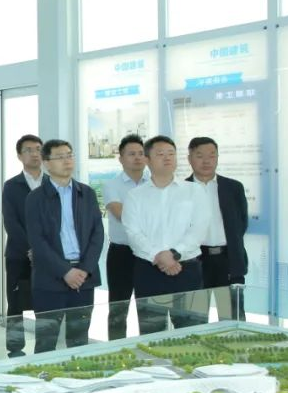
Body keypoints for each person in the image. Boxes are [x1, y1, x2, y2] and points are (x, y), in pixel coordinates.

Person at [122, 136, 211, 334]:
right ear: (147, 160)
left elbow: (199, 228)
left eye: (171, 153)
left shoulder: (194, 191)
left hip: (187, 270)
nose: (167, 158)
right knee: (151, 333)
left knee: (192, 332)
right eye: (160, 154)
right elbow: (133, 232)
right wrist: (158, 255)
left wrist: (174, 254)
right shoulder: (135, 196)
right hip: (149, 271)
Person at [25, 140, 104, 353]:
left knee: (79, 339)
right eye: (60, 157)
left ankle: (76, 373)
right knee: (46, 340)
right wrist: (65, 271)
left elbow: (97, 234)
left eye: (69, 155)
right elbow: (37, 241)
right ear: (46, 163)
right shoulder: (35, 198)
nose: (67, 160)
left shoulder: (86, 193)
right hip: (50, 277)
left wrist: (84, 269)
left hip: (84, 277)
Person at [186, 137, 249, 320]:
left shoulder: (233, 187)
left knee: (232, 318)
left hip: (228, 259)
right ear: (189, 158)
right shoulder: (181, 189)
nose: (206, 161)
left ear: (218, 158)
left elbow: (241, 223)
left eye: (212, 155)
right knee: (194, 318)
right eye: (200, 156)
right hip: (195, 261)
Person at [102, 134, 149, 340]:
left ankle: (151, 349)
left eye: (141, 153)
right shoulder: (112, 185)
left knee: (149, 308)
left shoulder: (154, 184)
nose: (137, 158)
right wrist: (151, 216)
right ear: (121, 158)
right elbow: (120, 214)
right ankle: (116, 349)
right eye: (131, 154)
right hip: (122, 253)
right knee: (118, 308)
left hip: (149, 253)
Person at [1, 134, 43, 357]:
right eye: (29, 150)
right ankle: (15, 349)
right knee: (16, 304)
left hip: (48, 257)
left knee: (44, 303)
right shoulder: (11, 185)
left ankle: (44, 348)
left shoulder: (52, 182)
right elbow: (11, 222)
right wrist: (32, 248)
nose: (35, 154)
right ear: (19, 155)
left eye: (38, 149)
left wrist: (44, 250)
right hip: (19, 254)